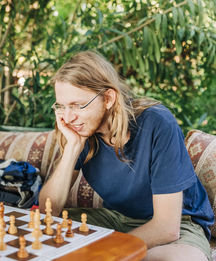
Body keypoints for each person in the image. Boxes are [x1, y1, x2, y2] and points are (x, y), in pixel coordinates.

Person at [39, 51, 214, 261]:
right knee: (42, 235)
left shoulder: (157, 124)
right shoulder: (82, 130)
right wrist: (73, 147)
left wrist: (110, 250)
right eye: (62, 106)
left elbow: (167, 227)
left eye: (78, 105)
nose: (68, 117)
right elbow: (48, 210)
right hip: (115, 219)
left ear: (108, 98)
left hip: (180, 224)